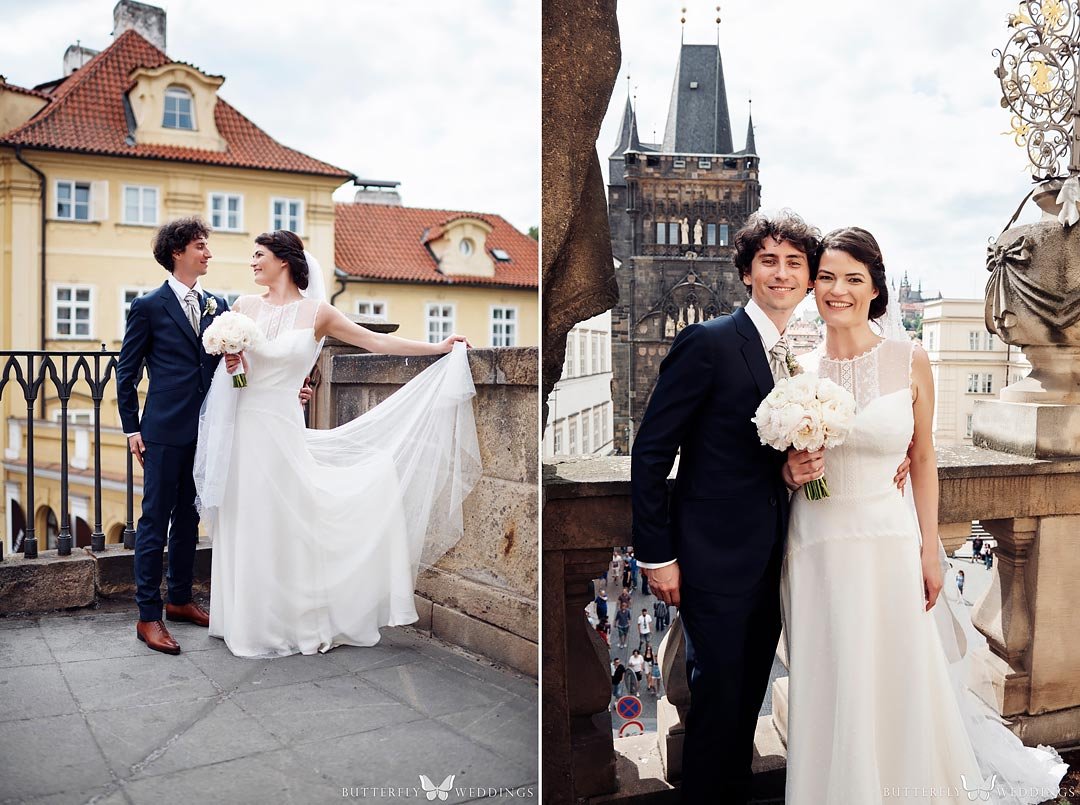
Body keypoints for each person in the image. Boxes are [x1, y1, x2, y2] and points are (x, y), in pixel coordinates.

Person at [631, 211, 912, 804]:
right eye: (768, 261)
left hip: (778, 558)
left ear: (809, 278)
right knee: (718, 706)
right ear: (746, 272)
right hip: (713, 557)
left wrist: (803, 469)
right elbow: (652, 450)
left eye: (794, 263)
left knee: (744, 699)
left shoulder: (794, 356)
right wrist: (657, 554)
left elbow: (772, 455)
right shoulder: (707, 342)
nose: (781, 274)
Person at [781, 227, 1065, 803]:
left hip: (888, 539)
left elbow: (924, 457)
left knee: (897, 674)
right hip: (815, 540)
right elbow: (778, 459)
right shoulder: (796, 369)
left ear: (875, 290)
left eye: (853, 279)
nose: (839, 290)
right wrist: (787, 470)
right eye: (828, 277)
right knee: (830, 675)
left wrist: (929, 549)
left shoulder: (909, 358)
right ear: (814, 287)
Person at [194, 230, 479, 658]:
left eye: (259, 255)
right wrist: (235, 364)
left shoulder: (318, 313)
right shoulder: (242, 308)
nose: (252, 263)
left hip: (280, 428)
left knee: (287, 519)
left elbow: (375, 341)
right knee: (247, 516)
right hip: (244, 426)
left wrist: (436, 346)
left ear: (284, 261)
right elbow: (241, 378)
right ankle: (245, 620)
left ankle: (289, 619)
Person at [116, 217, 233, 655]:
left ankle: (180, 599)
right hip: (162, 432)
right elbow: (125, 373)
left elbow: (224, 367)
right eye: (201, 246)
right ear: (177, 252)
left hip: (206, 428)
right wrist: (132, 427)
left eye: (208, 245)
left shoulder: (217, 304)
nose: (208, 253)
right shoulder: (148, 306)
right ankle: (149, 616)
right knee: (154, 522)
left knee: (189, 518)